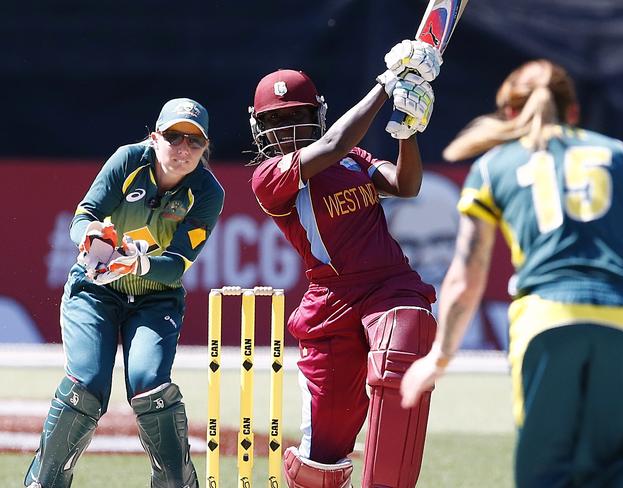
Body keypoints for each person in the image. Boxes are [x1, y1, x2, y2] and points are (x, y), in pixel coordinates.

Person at [400, 59, 623, 487]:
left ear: (510, 113)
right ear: (573, 112)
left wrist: (439, 357)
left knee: (546, 473)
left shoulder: (493, 166)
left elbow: (466, 274)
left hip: (547, 320)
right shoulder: (618, 155)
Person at [249, 40, 441, 487]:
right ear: (259, 128)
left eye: (296, 116)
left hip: (391, 286)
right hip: (330, 302)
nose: (287, 128)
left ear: (315, 112)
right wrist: (386, 84)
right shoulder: (270, 176)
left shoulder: (354, 160)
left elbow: (405, 184)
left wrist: (406, 129)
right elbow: (334, 141)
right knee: (322, 459)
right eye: (275, 120)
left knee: (401, 350)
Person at [24, 98, 225, 488]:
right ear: (154, 137)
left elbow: (179, 263)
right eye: (173, 137)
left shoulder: (206, 192)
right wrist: (92, 236)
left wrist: (138, 264)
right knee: (86, 386)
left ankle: (175, 483)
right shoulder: (127, 161)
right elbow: (83, 217)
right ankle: (44, 482)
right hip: (95, 290)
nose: (182, 149)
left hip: (155, 297)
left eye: (194, 141)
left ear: (205, 149)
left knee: (151, 385)